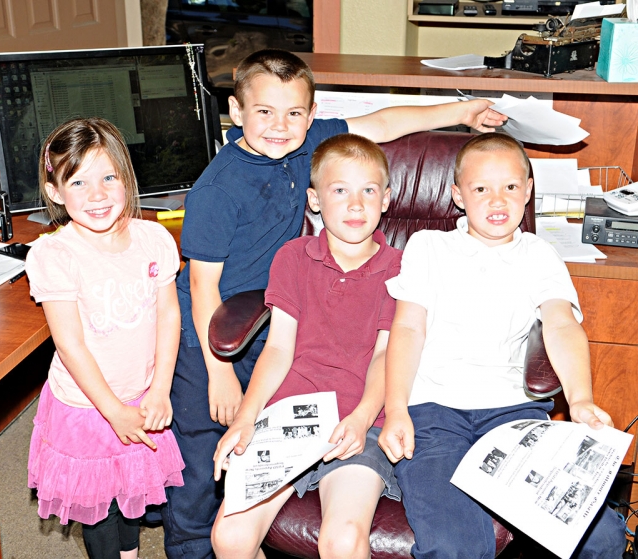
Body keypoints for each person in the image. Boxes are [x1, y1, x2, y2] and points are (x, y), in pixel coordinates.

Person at [165, 47, 507, 558]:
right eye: (264, 112)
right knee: (200, 459)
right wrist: (220, 375)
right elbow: (202, 289)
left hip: (282, 327)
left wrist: (460, 111)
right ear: (236, 114)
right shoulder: (219, 190)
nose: (280, 126)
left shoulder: (313, 146)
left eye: (294, 113)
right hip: (214, 327)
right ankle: (187, 550)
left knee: (334, 530)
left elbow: (385, 121)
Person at [378, 132, 627, 559]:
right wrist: (397, 408)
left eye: (510, 187)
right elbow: (407, 330)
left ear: (528, 190)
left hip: (514, 416)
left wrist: (581, 399)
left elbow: (562, 325)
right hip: (433, 414)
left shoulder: (538, 254)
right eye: (481, 189)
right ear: (457, 195)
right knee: (457, 545)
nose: (498, 201)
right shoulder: (429, 247)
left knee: (601, 538)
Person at [211, 133, 402, 558]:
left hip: (360, 421)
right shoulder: (293, 257)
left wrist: (361, 417)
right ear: (314, 200)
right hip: (289, 417)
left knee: (342, 541)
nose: (356, 205)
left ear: (386, 199)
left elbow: (387, 355)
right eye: (340, 191)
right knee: (229, 537)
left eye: (368, 191)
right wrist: (246, 417)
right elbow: (277, 349)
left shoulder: (400, 269)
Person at [25, 117, 185, 559]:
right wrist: (113, 411)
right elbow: (70, 344)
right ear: (55, 191)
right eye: (78, 182)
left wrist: (160, 388)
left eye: (109, 177)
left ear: (126, 177)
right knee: (98, 507)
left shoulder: (153, 238)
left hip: (142, 394)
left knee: (131, 487)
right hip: (88, 404)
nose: (97, 195)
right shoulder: (53, 254)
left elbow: (169, 314)